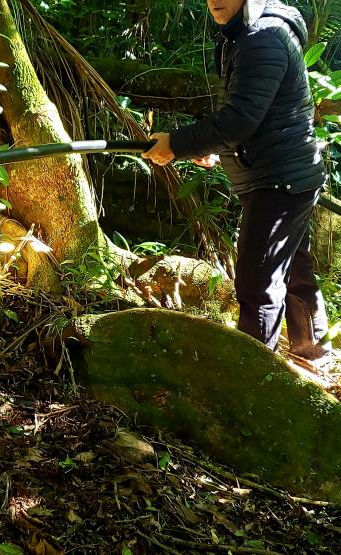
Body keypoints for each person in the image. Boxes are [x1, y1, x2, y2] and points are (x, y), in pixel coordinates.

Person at [141, 0, 330, 359]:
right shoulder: (245, 33)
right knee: (293, 265)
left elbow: (241, 119)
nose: (214, 0)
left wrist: (177, 144)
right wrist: (217, 149)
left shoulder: (263, 36)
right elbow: (255, 114)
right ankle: (312, 348)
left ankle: (253, 375)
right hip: (285, 174)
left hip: (280, 179)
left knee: (258, 281)